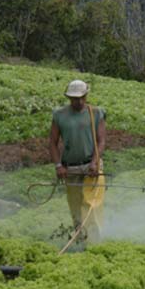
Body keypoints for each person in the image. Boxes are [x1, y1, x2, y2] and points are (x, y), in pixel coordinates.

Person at [49, 79, 106, 243]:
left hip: (91, 167)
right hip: (70, 168)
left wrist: (95, 162)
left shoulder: (96, 113)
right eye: (74, 98)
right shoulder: (59, 115)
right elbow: (52, 142)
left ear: (86, 95)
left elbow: (101, 141)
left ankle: (95, 242)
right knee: (75, 208)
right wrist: (58, 165)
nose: (78, 101)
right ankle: (81, 239)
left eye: (81, 97)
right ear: (69, 98)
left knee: (91, 206)